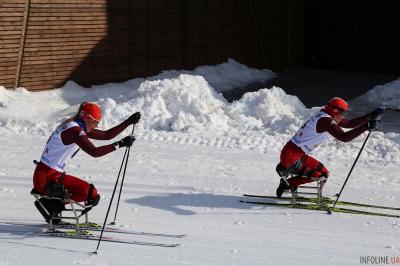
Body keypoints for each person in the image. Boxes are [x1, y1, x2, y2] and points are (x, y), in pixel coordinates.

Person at [32, 102, 141, 221]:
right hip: (46, 178)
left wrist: (128, 122)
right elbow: (94, 152)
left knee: (91, 193)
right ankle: (50, 205)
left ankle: (51, 204)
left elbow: (106, 135)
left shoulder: (76, 126)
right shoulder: (74, 130)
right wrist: (119, 144)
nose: (96, 125)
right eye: (96, 122)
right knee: (88, 193)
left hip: (53, 175)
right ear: (87, 118)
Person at [276, 97, 384, 197]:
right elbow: (344, 137)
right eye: (343, 112)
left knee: (324, 173)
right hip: (292, 157)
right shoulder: (325, 121)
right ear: (335, 111)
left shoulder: (326, 115)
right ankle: (288, 183)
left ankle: (288, 182)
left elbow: (349, 123)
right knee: (320, 175)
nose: (344, 116)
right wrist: (367, 126)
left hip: (296, 154)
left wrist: (370, 116)